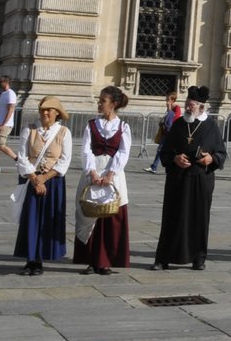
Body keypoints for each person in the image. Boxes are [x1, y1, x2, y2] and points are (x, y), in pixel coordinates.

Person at [152, 85, 227, 271]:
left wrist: (211, 158)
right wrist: (175, 158)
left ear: (201, 107)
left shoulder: (211, 126)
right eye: (186, 104)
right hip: (178, 179)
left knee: (199, 218)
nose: (187, 108)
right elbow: (165, 152)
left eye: (191, 105)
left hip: (201, 180)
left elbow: (221, 153)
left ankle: (198, 258)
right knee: (171, 217)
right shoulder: (178, 124)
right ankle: (163, 258)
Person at [73, 86, 133, 276]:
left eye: (103, 101)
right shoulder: (91, 125)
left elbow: (123, 152)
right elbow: (86, 150)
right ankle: (91, 259)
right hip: (93, 172)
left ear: (113, 104)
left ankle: (106, 260)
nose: (99, 104)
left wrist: (111, 173)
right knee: (90, 214)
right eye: (99, 100)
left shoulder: (123, 127)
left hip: (113, 175)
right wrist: (92, 171)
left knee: (110, 215)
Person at [11, 96, 72, 276]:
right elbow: (22, 156)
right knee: (31, 220)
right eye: (42, 109)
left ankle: (41, 258)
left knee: (47, 220)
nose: (45, 113)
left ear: (57, 113)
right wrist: (34, 178)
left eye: (49, 110)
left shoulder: (63, 132)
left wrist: (44, 178)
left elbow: (64, 160)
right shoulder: (29, 130)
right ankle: (30, 259)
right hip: (32, 180)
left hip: (53, 182)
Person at [146, 92, 181, 174]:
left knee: (165, 150)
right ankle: (153, 167)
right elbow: (167, 119)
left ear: (172, 100)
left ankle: (158, 167)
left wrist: (169, 110)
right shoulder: (169, 108)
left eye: (168, 99)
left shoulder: (176, 108)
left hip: (171, 133)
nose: (166, 101)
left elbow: (174, 120)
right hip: (165, 132)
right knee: (160, 150)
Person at [0, 75, 17, 172]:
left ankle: (18, 159)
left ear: (7, 82)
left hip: (5, 124)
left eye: (1, 81)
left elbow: (11, 109)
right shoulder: (3, 94)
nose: (0, 83)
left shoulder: (11, 94)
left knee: (0, 145)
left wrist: (4, 124)